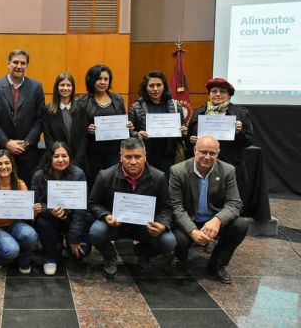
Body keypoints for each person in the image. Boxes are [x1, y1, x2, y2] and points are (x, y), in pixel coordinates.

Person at [88, 137, 176, 279]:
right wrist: (105, 215)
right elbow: (93, 203)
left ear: (145, 157)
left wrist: (162, 225)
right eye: (128, 157)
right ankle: (110, 257)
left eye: (138, 157)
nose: (133, 161)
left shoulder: (158, 177)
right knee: (96, 231)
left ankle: (143, 253)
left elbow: (166, 207)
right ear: (121, 157)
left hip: (145, 227)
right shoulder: (105, 175)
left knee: (169, 241)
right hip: (115, 225)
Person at [169, 135, 248, 284]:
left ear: (218, 153)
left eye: (212, 153)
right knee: (179, 239)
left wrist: (218, 220)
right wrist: (192, 231)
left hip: (213, 220)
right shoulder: (177, 171)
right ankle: (180, 256)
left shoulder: (227, 170)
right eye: (203, 152)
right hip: (190, 219)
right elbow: (176, 207)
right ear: (195, 150)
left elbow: (235, 203)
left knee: (241, 225)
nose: (207, 157)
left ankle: (217, 263)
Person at [0, 49, 45, 185]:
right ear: (8, 64)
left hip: (27, 153)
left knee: (25, 192)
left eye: (23, 63)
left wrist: (26, 142)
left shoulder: (36, 87)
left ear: (26, 66)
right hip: (0, 152)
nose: (19, 66)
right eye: (15, 62)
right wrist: (6, 143)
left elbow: (40, 119)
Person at [187, 78, 253, 201]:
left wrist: (240, 132)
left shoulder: (240, 113)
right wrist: (190, 140)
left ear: (229, 95)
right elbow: (188, 139)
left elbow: (248, 141)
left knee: (229, 199)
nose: (218, 94)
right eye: (214, 91)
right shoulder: (199, 112)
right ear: (209, 94)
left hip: (230, 163)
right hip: (203, 164)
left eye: (222, 91)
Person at [31, 141, 92, 275]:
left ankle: (67, 243)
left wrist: (74, 239)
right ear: (49, 158)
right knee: (43, 222)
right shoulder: (39, 175)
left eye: (64, 156)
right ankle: (50, 256)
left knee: (80, 255)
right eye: (56, 156)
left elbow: (81, 209)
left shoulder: (78, 174)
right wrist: (50, 211)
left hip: (72, 218)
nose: (60, 160)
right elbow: (35, 204)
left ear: (69, 157)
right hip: (49, 218)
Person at [0, 149, 40, 274]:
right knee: (12, 250)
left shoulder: (20, 184)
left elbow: (26, 216)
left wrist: (33, 212)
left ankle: (23, 260)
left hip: (14, 224)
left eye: (7, 163)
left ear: (12, 166)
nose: (4, 167)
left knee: (31, 235)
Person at [78, 64, 133, 186]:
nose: (102, 82)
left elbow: (123, 122)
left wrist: (128, 126)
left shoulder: (118, 99)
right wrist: (87, 129)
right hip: (92, 152)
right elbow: (77, 128)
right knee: (95, 183)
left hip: (114, 151)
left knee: (114, 183)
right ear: (91, 80)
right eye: (99, 78)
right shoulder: (82, 101)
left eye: (106, 79)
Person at [128, 70, 188, 178]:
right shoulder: (135, 107)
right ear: (145, 88)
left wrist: (183, 132)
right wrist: (137, 135)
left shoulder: (176, 106)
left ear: (164, 86)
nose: (155, 89)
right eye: (151, 85)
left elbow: (182, 135)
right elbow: (129, 133)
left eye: (159, 85)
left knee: (165, 187)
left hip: (168, 156)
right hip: (145, 156)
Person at [42, 73, 88, 169]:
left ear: (73, 88)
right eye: (62, 85)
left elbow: (84, 136)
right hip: (57, 161)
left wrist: (77, 161)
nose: (65, 88)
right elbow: (48, 137)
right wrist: (58, 158)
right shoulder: (48, 110)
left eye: (68, 85)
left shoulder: (81, 108)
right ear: (57, 87)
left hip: (78, 161)